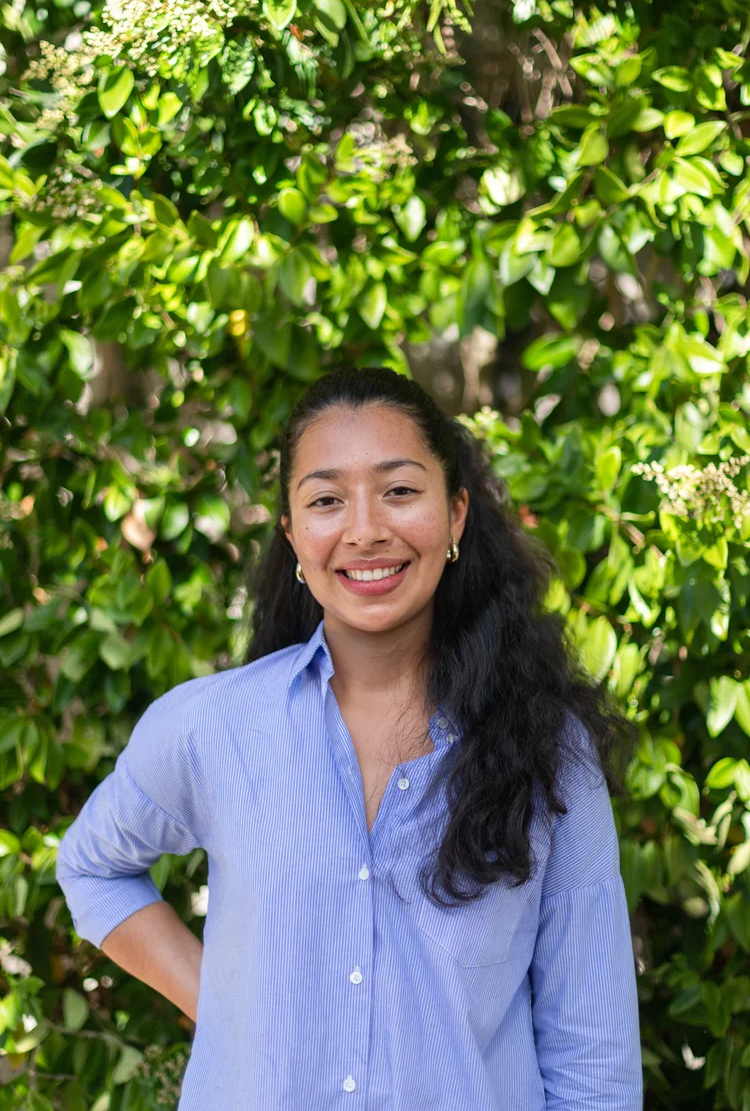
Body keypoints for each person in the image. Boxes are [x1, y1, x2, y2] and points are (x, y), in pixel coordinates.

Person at [56, 364, 643, 1110]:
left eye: (400, 490)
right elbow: (94, 866)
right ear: (293, 535)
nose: (365, 528)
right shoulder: (211, 727)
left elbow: (595, 1067)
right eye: (327, 499)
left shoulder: (548, 754)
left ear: (456, 512)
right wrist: (231, 1012)